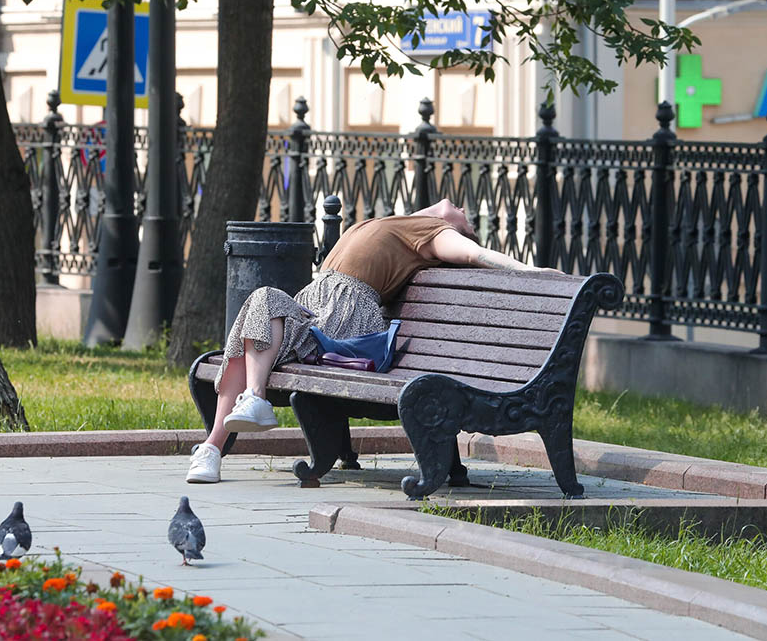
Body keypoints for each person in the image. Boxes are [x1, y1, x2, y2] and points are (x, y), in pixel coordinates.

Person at [186, 199, 559, 483]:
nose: (462, 208)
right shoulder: (393, 222)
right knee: (257, 314)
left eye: (466, 220)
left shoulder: (431, 232)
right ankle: (220, 440)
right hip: (315, 306)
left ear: (455, 228)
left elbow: (475, 254)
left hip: (345, 317)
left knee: (261, 308)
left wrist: (530, 271)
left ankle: (232, 425)